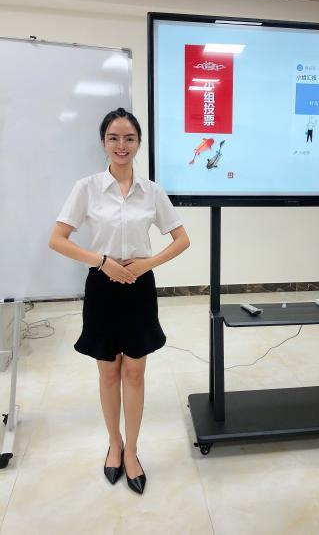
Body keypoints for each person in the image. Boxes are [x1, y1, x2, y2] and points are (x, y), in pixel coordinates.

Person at [48, 107, 190, 495]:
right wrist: (102, 262)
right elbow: (57, 239)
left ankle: (133, 452)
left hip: (139, 288)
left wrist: (146, 264)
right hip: (103, 287)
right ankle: (114, 444)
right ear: (103, 143)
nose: (121, 145)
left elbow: (181, 240)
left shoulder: (152, 191)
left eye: (129, 138)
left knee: (135, 372)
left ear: (138, 143)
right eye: (114, 138)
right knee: (108, 371)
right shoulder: (87, 188)